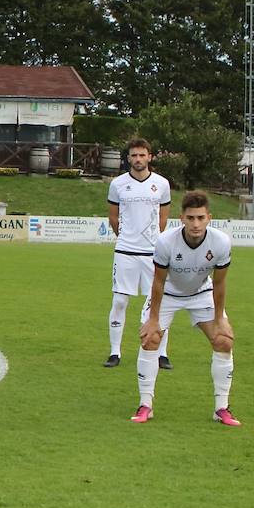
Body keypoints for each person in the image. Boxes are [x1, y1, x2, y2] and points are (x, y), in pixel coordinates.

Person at [133, 191, 240, 426]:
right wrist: (153, 320)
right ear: (181, 218)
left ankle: (221, 408)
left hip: (202, 294)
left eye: (201, 218)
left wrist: (220, 318)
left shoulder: (220, 242)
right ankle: (145, 405)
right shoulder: (165, 242)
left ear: (209, 218)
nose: (196, 224)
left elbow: (220, 283)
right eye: (191, 218)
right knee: (150, 339)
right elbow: (158, 282)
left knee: (224, 341)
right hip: (168, 294)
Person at [103, 138, 171, 368]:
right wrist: (125, 237)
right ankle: (115, 352)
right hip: (125, 251)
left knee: (157, 303)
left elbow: (163, 217)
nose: (138, 159)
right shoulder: (118, 184)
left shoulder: (162, 184)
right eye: (134, 155)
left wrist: (155, 241)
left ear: (150, 157)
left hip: (153, 254)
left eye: (142, 155)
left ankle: (162, 353)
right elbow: (113, 217)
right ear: (128, 158)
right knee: (120, 300)